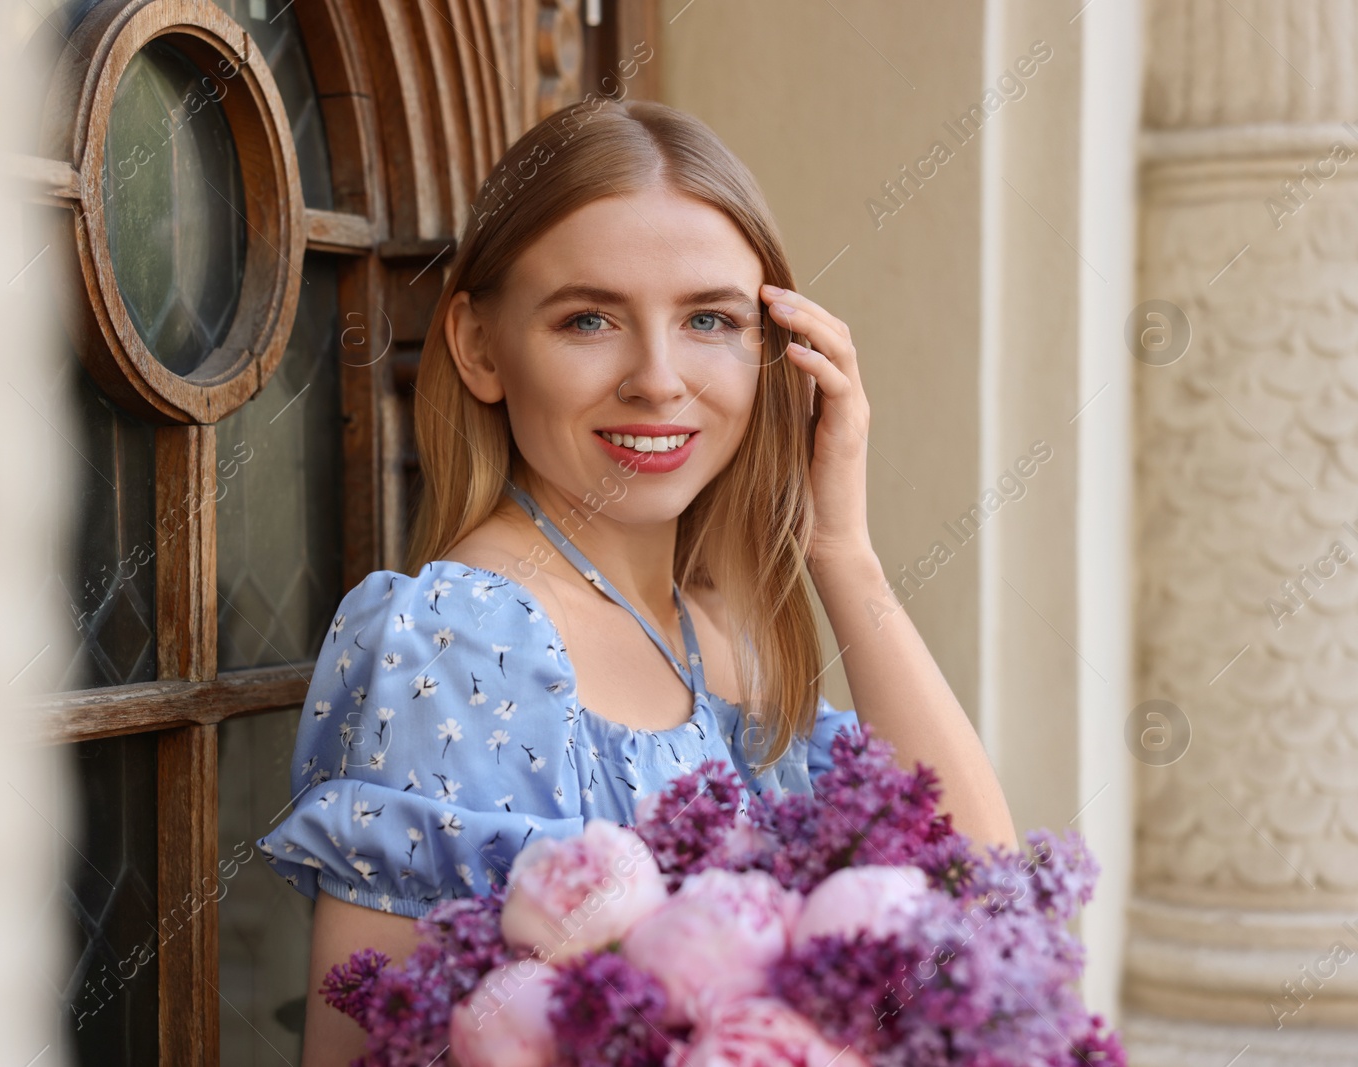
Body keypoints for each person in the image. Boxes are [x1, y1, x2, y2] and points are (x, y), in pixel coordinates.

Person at [256, 97, 1015, 1064]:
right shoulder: (462, 638)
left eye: (709, 318)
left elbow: (991, 912)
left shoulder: (720, 633)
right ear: (481, 347)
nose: (658, 378)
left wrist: (842, 549)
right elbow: (360, 1051)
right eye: (588, 319)